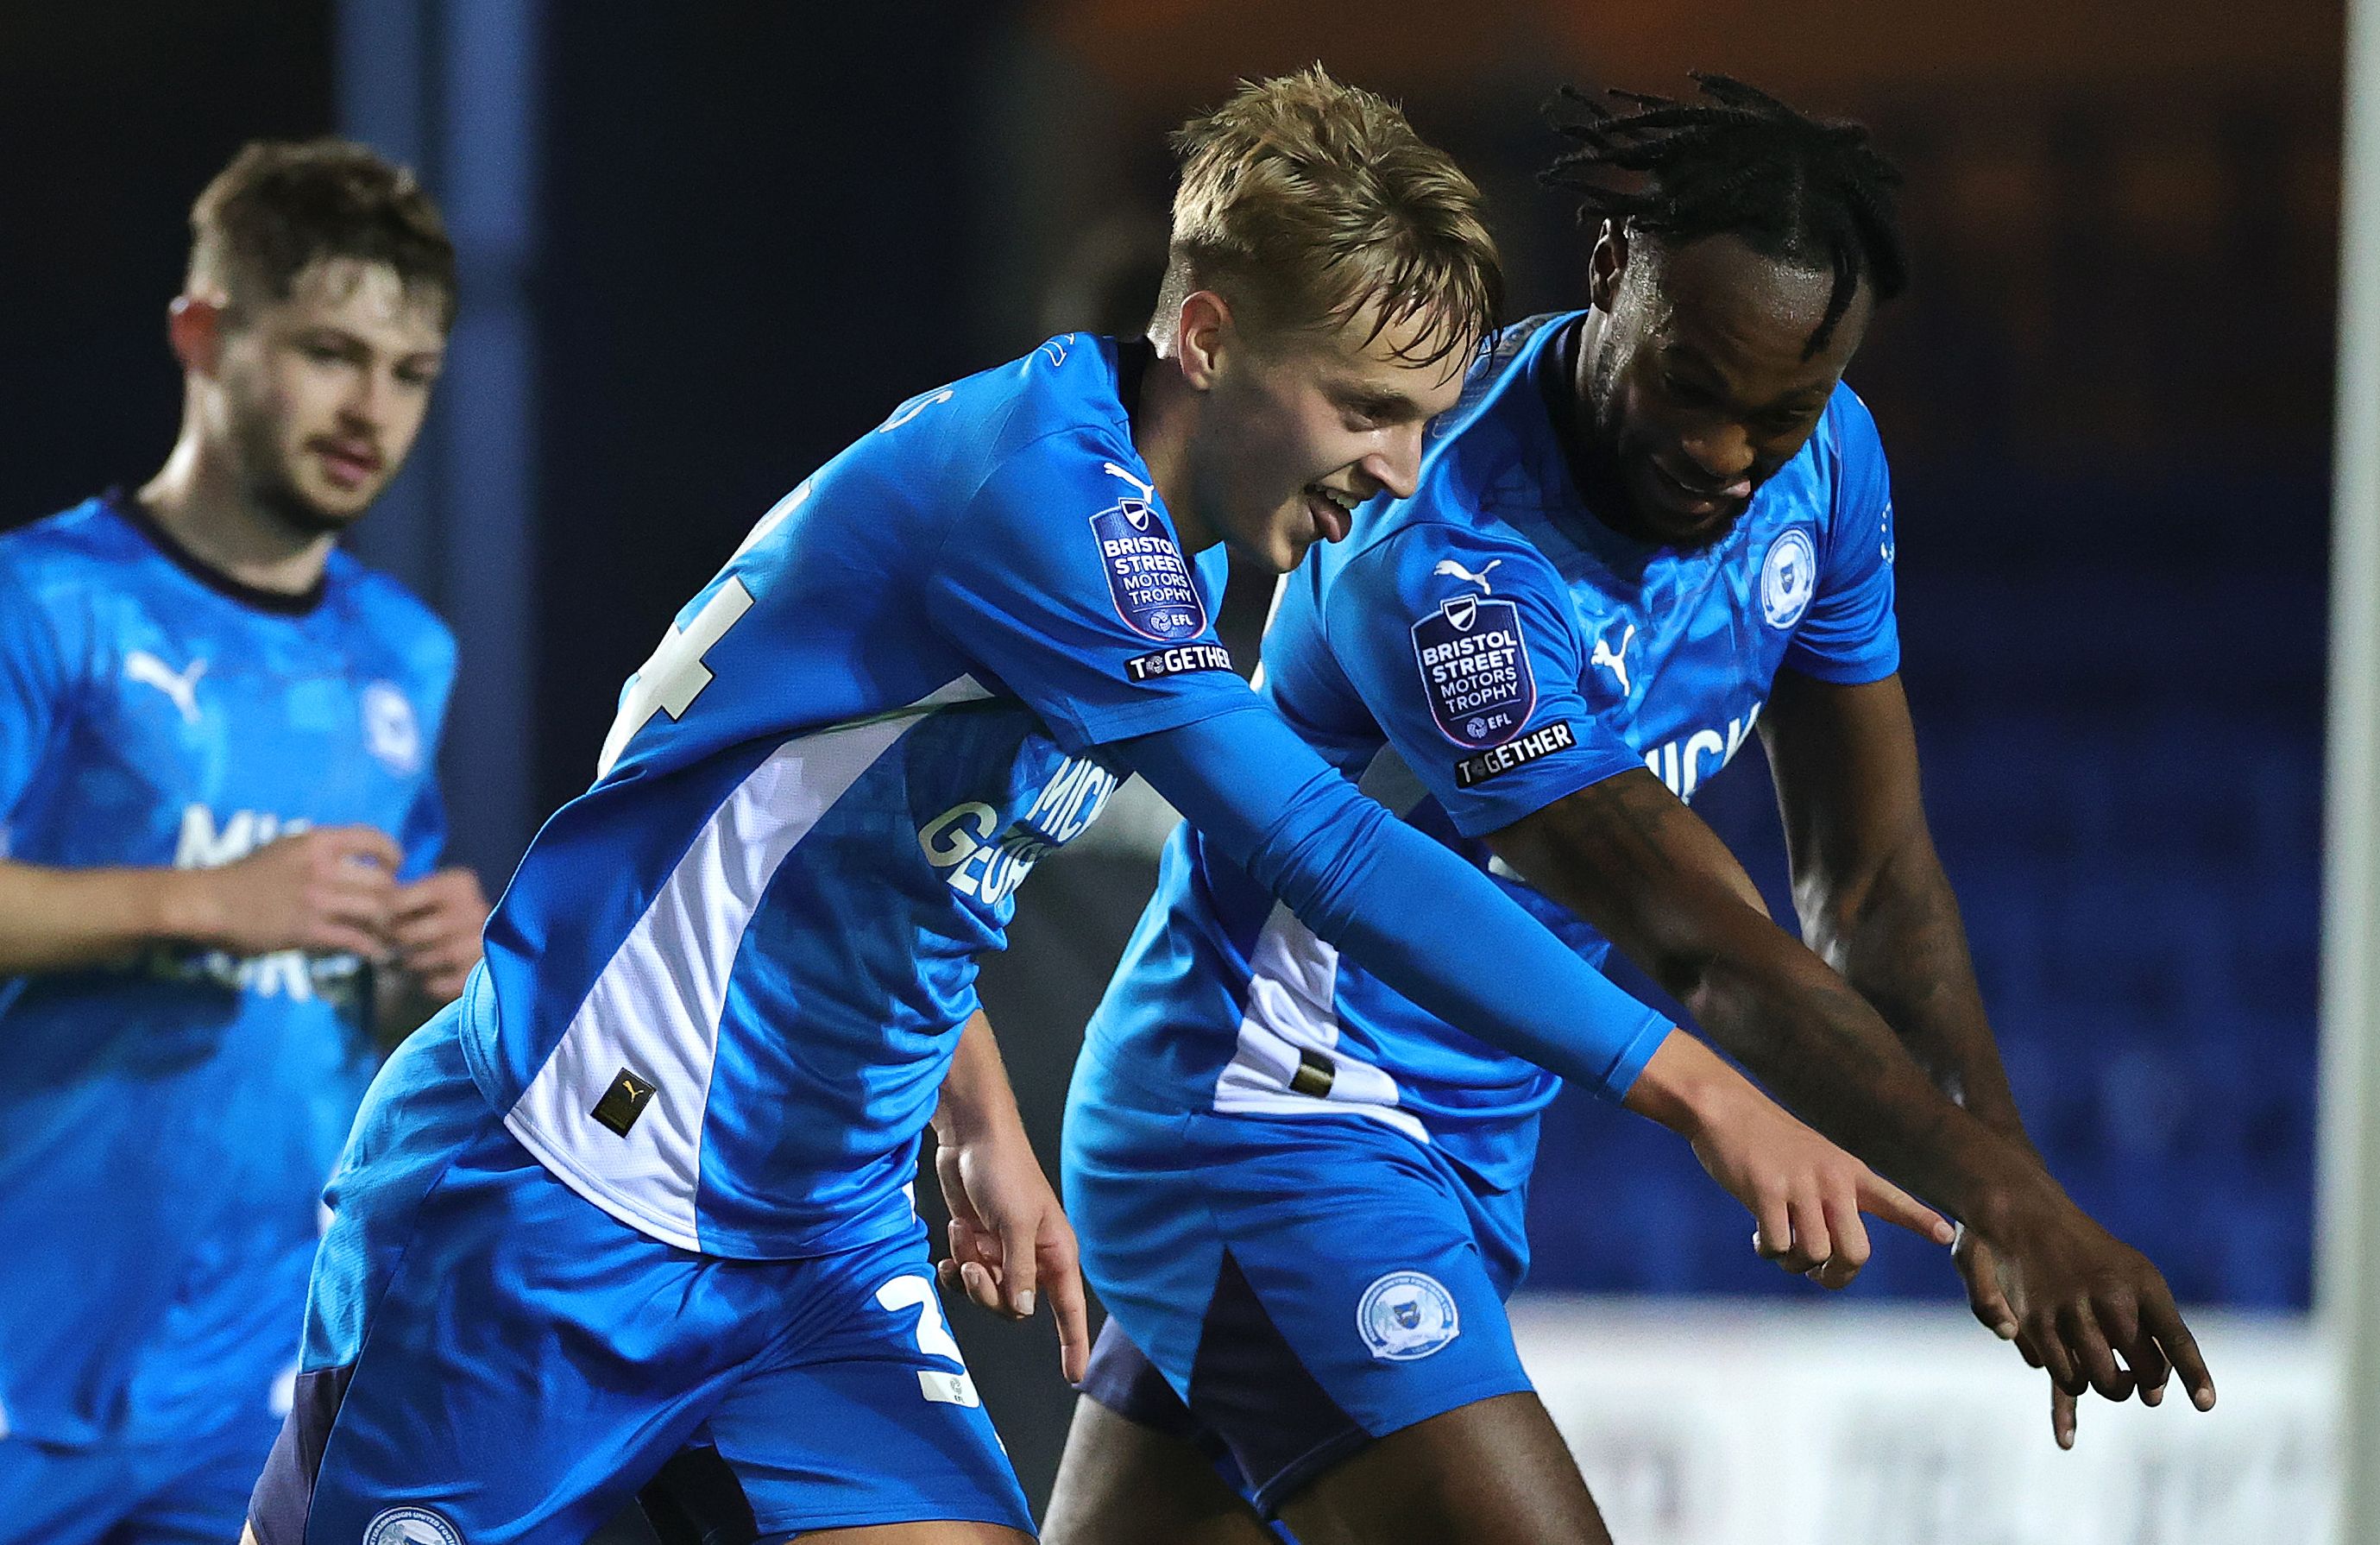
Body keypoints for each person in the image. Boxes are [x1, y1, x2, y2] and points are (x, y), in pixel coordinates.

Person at [244, 68, 1940, 1545]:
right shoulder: (1046, 503)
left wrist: (969, 1101)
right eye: (1365, 408)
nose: (1397, 474)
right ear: (1207, 336)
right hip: (557, 1192)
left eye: (1425, 424)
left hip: (812, 1246)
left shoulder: (1149, 528)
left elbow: (827, 819)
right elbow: (1326, 842)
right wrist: (1692, 1083)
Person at [1046, 76, 2218, 1545]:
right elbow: (1690, 938)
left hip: (1453, 1150)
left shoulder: (1828, 468)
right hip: (1270, 1121)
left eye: (1776, 413)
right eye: (1689, 386)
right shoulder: (1443, 542)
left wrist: (2012, 1191)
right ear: (1610, 268)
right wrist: (2000, 1198)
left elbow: (1867, 881)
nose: (1726, 452)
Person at [0, 140, 484, 1545]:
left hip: (247, 1373)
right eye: (332, 353)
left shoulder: (405, 652)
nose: (371, 409)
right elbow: (241, 909)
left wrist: (427, 979)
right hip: (30, 1345)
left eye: (410, 374)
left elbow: (345, 991)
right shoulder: (46, 601)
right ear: (203, 334)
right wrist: (205, 900)